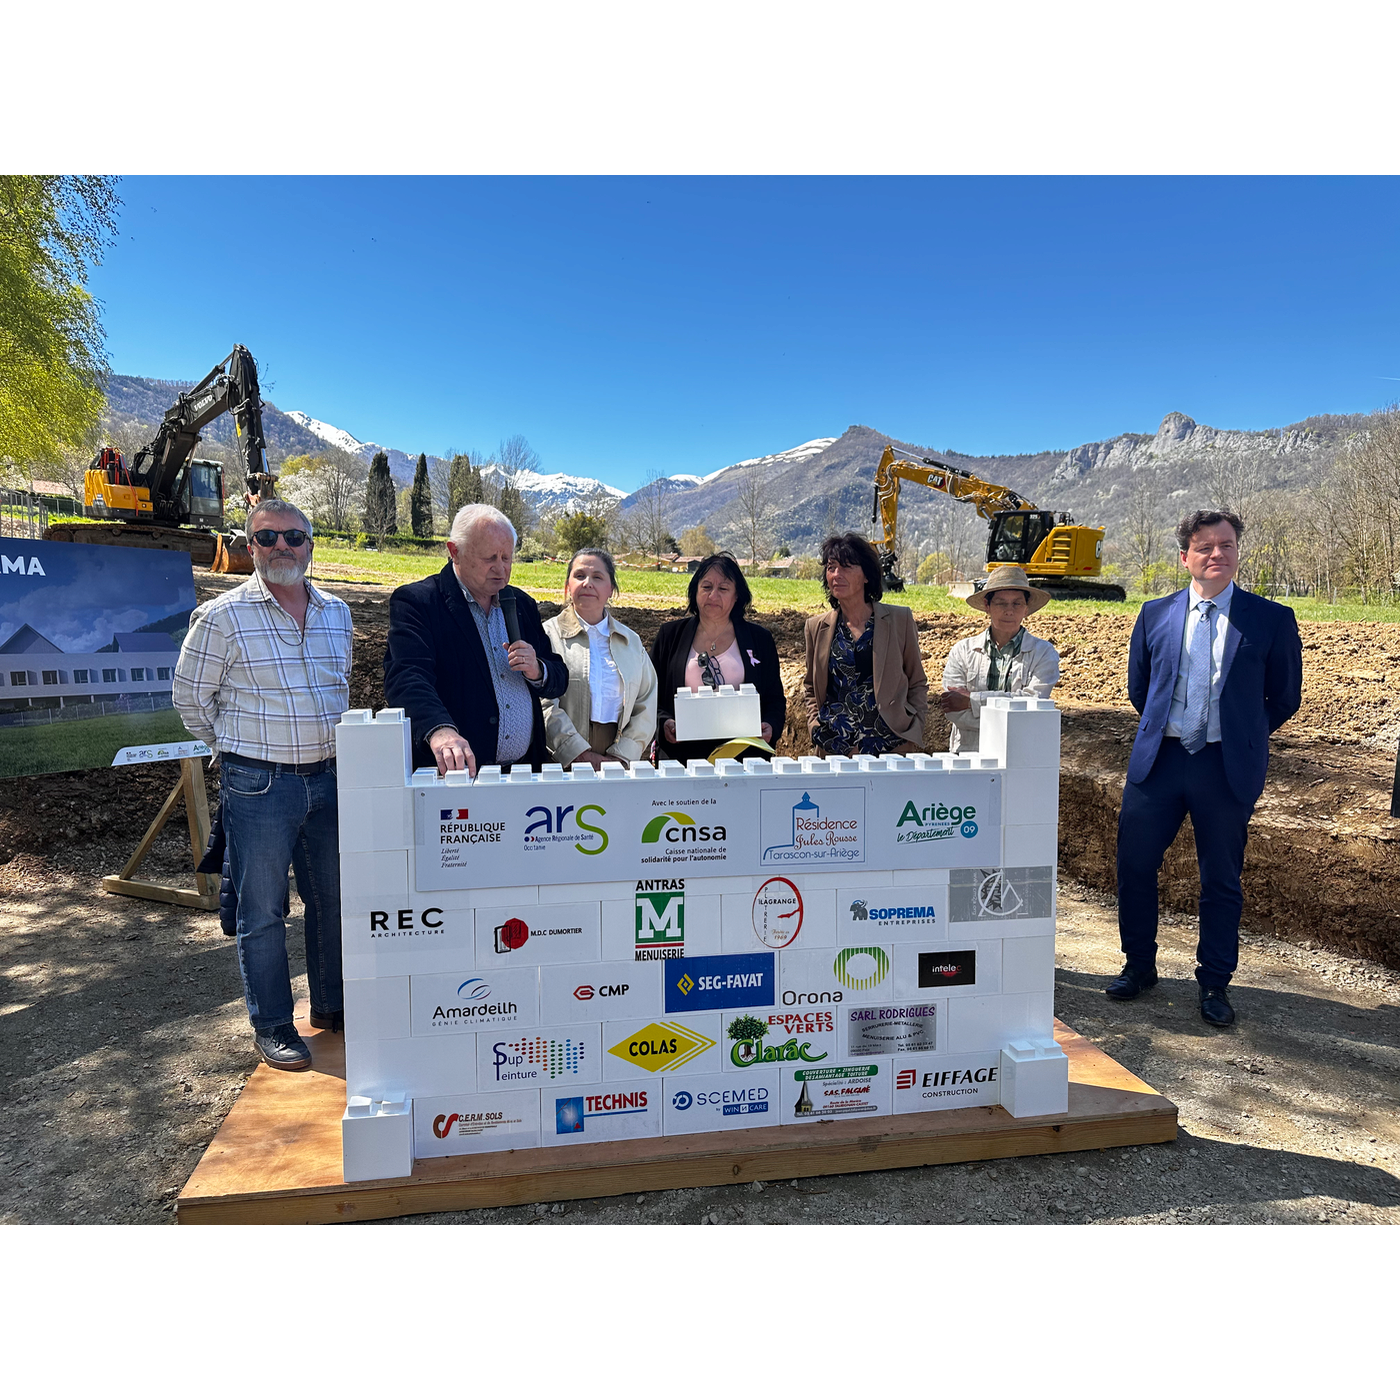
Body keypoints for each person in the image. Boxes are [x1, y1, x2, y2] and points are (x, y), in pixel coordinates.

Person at [173, 500, 353, 1072]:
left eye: (294, 537)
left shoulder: (338, 613)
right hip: (259, 784)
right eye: (268, 537)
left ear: (310, 546)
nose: (282, 547)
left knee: (333, 901)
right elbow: (189, 701)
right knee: (261, 909)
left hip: (329, 777)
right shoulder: (221, 618)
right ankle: (273, 1023)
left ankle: (332, 1006)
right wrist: (233, 748)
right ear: (250, 547)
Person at [1111, 509, 1302, 1026]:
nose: (1217, 554)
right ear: (1185, 557)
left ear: (1238, 552)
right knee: (1133, 866)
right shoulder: (1154, 613)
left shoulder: (1271, 619)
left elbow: (1284, 697)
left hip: (1224, 767)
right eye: (1205, 546)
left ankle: (1215, 982)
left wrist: (1243, 735)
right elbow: (1141, 688)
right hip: (1162, 763)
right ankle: (1139, 966)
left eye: (1226, 545)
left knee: (1220, 879)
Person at [383, 503, 566, 775]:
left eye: (506, 558)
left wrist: (538, 669)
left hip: (524, 773)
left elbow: (559, 676)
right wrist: (440, 730)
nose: (501, 569)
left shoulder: (521, 604)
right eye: (489, 558)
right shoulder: (419, 603)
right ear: (454, 552)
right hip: (458, 778)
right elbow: (407, 678)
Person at [651, 552, 785, 764]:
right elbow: (649, 695)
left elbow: (775, 699)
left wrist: (771, 725)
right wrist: (663, 722)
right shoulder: (670, 635)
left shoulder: (760, 639)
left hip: (743, 759)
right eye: (706, 587)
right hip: (681, 759)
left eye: (723, 589)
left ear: (737, 596)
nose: (713, 595)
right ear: (695, 592)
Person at [804, 533, 928, 757]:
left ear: (866, 576)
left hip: (890, 745)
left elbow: (917, 681)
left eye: (847, 567)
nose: (836, 575)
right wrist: (815, 727)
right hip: (834, 747)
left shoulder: (899, 620)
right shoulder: (816, 627)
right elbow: (812, 687)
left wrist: (913, 727)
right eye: (831, 567)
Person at [542, 547, 658, 768]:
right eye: (579, 576)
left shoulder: (630, 641)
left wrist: (622, 756)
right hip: (559, 759)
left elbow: (646, 701)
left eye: (597, 577)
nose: (588, 583)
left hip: (618, 761)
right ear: (567, 586)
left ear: (611, 589)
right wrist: (576, 752)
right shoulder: (547, 636)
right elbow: (542, 702)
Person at [939, 565, 1061, 753]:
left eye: (1017, 604)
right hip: (968, 752)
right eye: (1001, 603)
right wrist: (1010, 715)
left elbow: (1033, 706)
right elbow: (955, 711)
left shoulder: (1044, 653)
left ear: (1026, 609)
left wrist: (972, 701)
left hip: (1020, 754)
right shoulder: (962, 651)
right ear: (987, 607)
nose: (1009, 611)